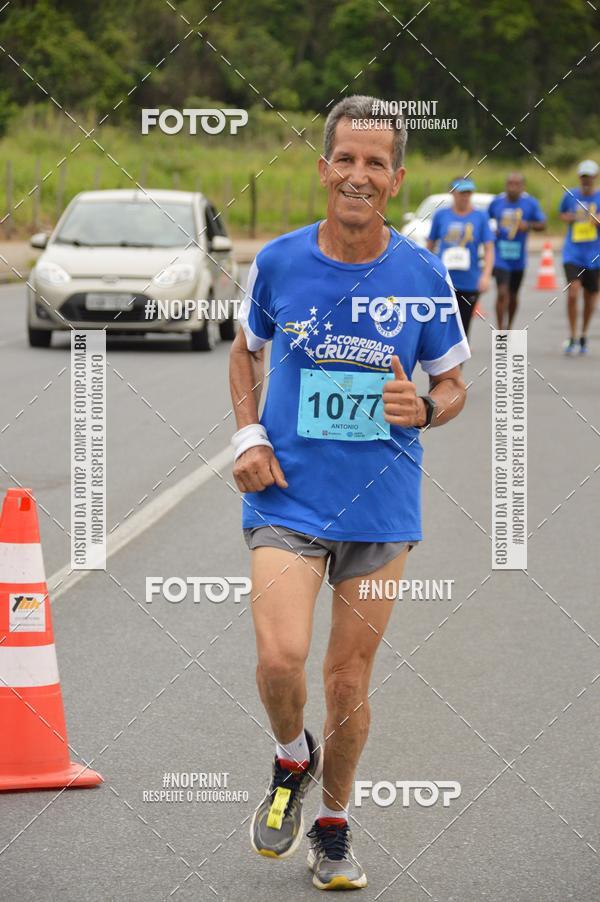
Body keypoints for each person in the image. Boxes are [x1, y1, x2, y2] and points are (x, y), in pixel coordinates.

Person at [229, 95, 469, 891]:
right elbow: (244, 354)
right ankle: (291, 755)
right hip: (287, 499)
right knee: (280, 657)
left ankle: (332, 828)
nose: (358, 175)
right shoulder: (280, 262)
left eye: (375, 163)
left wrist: (427, 407)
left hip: (380, 506)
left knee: (346, 682)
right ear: (323, 168)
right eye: (346, 159)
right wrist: (248, 434)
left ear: (395, 180)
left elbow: (454, 383)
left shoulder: (424, 276)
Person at [427, 178, 494, 340]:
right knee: (442, 328)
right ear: (453, 193)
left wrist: (485, 276)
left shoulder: (480, 216)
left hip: (469, 282)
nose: (465, 196)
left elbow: (489, 248)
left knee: (463, 329)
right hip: (444, 281)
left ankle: (459, 364)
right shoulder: (441, 215)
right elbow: (430, 246)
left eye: (468, 193)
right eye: (461, 193)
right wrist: (428, 271)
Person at [488, 173, 546, 329]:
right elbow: (486, 221)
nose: (512, 187)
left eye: (516, 184)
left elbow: (542, 224)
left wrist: (527, 226)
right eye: (509, 183)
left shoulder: (530, 203)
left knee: (513, 296)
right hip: (500, 256)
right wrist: (492, 231)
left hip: (518, 259)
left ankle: (509, 327)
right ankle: (500, 331)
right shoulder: (496, 203)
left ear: (523, 187)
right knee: (502, 292)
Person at [559, 159, 600, 354]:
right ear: (579, 177)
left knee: (590, 297)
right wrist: (570, 217)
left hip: (594, 255)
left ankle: (583, 334)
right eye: (583, 177)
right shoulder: (570, 195)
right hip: (573, 253)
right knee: (573, 291)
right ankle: (572, 335)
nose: (586, 180)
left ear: (595, 178)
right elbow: (562, 214)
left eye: (589, 177)